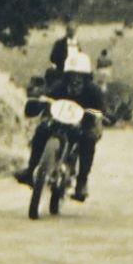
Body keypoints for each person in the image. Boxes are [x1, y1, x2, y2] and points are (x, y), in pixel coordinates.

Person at [17, 49, 106, 201]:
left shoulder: (94, 91)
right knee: (42, 130)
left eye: (80, 76)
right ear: (67, 76)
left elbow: (101, 111)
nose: (75, 80)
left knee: (88, 140)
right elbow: (47, 98)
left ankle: (81, 182)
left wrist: (99, 115)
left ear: (86, 77)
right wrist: (41, 103)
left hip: (83, 124)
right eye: (72, 75)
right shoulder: (59, 87)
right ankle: (31, 170)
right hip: (60, 121)